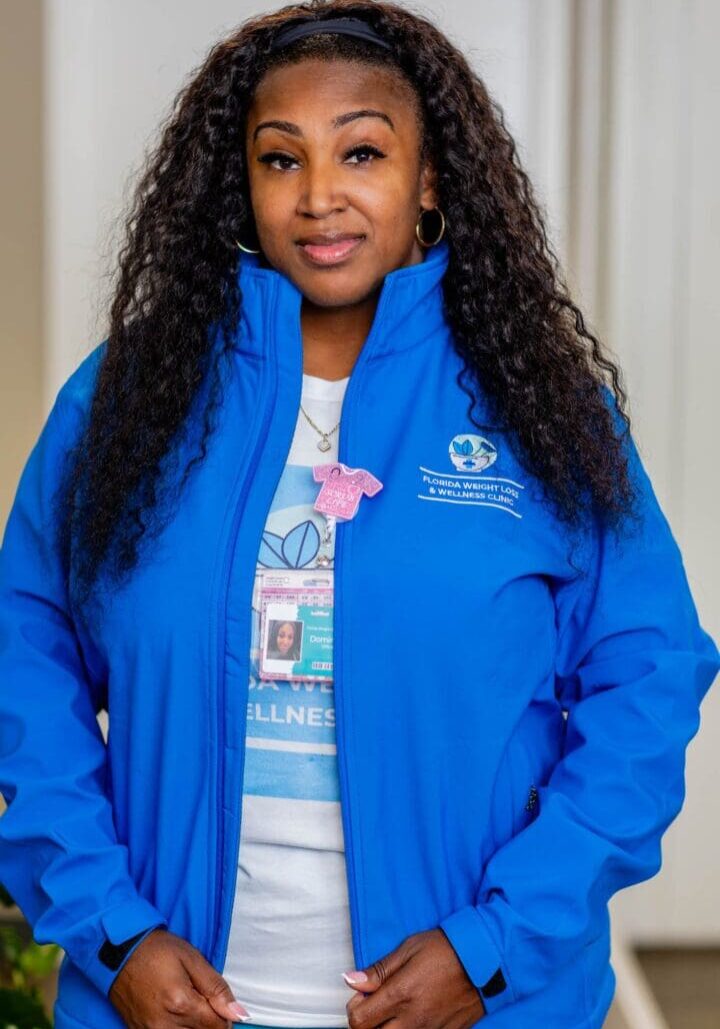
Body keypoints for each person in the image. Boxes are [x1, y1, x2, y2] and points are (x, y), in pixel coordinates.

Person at [0, 2, 718, 1028]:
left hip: (473, 1001)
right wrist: (112, 934)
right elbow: (24, 662)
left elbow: (647, 679)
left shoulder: (537, 408)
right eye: (281, 160)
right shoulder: (124, 401)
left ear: (429, 178)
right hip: (171, 1000)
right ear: (239, 186)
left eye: (364, 152)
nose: (321, 196)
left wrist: (496, 946)